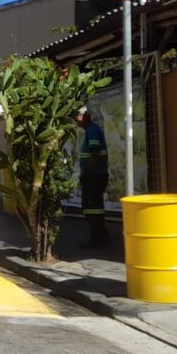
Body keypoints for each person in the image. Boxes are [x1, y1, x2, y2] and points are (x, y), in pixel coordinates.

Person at [75, 106, 110, 248]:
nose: (76, 120)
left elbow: (95, 152)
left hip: (95, 176)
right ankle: (101, 236)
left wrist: (86, 172)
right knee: (92, 206)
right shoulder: (90, 131)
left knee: (92, 207)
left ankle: (98, 238)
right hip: (94, 175)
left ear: (85, 116)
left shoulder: (93, 131)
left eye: (77, 116)